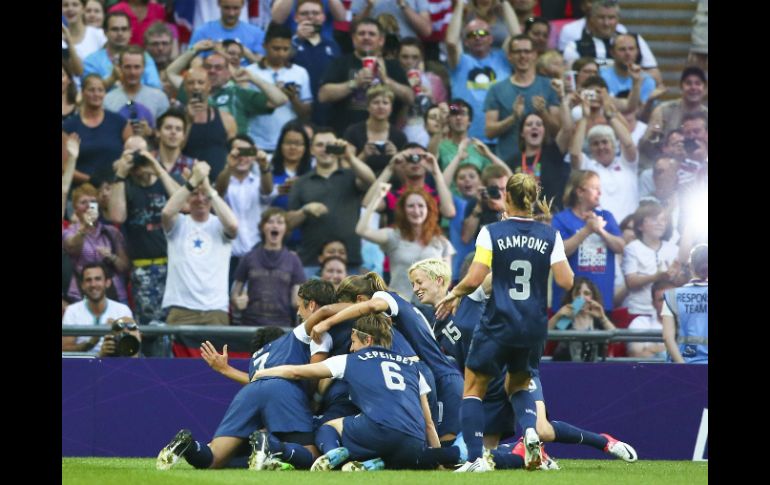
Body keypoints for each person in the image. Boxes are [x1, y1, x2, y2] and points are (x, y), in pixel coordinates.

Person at [434, 173, 574, 472]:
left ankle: (475, 459)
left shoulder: (492, 232)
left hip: (499, 321)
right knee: (518, 384)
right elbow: (566, 280)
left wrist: (454, 294)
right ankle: (531, 436)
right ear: (533, 199)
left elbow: (474, 279)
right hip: (534, 326)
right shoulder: (551, 235)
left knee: (473, 386)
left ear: (507, 198)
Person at [156, 279, 337, 471]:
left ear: (310, 304)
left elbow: (260, 380)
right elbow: (312, 375)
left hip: (250, 391)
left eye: (299, 306)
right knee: (312, 455)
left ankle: (189, 445)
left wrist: (226, 370)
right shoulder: (312, 333)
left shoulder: (264, 351)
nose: (298, 312)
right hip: (284, 390)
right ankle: (270, 444)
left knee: (215, 459)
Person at [251, 313, 442, 471]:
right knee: (394, 453)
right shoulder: (412, 367)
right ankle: (374, 464)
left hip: (378, 431)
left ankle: (334, 454)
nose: (351, 348)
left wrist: (262, 372)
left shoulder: (349, 360)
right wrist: (438, 459)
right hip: (414, 442)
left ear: (367, 339)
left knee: (329, 426)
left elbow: (296, 371)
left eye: (353, 342)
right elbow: (429, 424)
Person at [311, 274, 465, 446]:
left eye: (346, 308)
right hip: (425, 373)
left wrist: (327, 321)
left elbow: (370, 305)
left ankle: (484, 457)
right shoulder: (386, 322)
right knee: (423, 442)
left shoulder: (385, 299)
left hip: (439, 377)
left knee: (439, 445)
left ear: (360, 299)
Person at [109, 135, 182, 325]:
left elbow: (184, 203)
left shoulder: (166, 179)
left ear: (151, 153)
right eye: (130, 153)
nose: (136, 159)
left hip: (175, 266)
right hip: (143, 268)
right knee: (150, 327)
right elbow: (117, 216)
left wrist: (157, 168)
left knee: (176, 326)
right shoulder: (122, 184)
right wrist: (121, 175)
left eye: (140, 153)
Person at [286, 129, 376, 277]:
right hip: (311, 262)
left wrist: (349, 156)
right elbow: (288, 222)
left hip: (350, 262)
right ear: (312, 150)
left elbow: (370, 180)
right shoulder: (301, 182)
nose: (325, 149)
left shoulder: (350, 176)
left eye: (330, 145)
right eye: (320, 145)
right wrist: (305, 210)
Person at [160, 161, 239, 325]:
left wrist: (207, 187)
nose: (201, 198)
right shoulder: (179, 223)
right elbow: (167, 213)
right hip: (181, 309)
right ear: (188, 198)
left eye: (205, 195)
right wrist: (192, 182)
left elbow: (233, 226)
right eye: (195, 194)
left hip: (215, 309)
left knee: (216, 352)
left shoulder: (220, 224)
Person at [357, 182, 454, 300]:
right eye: (411, 206)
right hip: (400, 305)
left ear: (428, 209)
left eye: (421, 206)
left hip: (431, 308)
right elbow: (362, 230)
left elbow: (446, 282)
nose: (416, 210)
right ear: (403, 210)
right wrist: (377, 197)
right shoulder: (393, 236)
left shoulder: (440, 242)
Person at [318, 17, 414, 136]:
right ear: (353, 39)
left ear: (381, 40)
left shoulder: (393, 65)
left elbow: (410, 97)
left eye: (372, 34)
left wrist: (386, 80)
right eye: (361, 34)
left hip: (385, 136)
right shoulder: (341, 63)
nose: (366, 37)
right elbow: (323, 95)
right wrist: (354, 83)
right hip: (346, 134)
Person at [550, 170, 624, 316]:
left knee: (601, 338)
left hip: (600, 301)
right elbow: (558, 252)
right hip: (570, 301)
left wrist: (600, 231)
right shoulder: (561, 219)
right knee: (567, 337)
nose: (600, 192)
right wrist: (587, 230)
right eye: (595, 188)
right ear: (580, 192)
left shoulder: (606, 216)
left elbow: (620, 247)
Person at [484, 34, 561, 164]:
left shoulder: (550, 86)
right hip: (507, 163)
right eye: (518, 52)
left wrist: (543, 113)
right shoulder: (496, 89)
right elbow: (489, 132)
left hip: (543, 163)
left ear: (535, 55)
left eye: (527, 51)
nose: (523, 56)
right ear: (509, 56)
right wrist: (513, 118)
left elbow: (558, 131)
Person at [445, 1, 513, 145]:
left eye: (482, 33)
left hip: (501, 138)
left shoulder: (503, 59)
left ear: (491, 38)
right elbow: (451, 42)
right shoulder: (460, 61)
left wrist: (505, 2)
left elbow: (516, 36)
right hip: (466, 140)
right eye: (471, 35)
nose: (477, 37)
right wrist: (460, 5)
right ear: (466, 42)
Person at [213, 135, 274, 283]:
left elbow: (267, 190)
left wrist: (264, 167)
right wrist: (229, 167)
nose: (242, 158)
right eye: (238, 153)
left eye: (247, 153)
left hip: (258, 254)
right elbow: (218, 192)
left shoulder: (259, 181)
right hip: (228, 255)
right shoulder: (223, 179)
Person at [231, 208, 306, 327]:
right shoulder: (249, 257)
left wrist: (301, 303)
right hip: (250, 324)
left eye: (280, 222)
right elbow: (235, 293)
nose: (275, 225)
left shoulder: (293, 260)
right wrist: (237, 300)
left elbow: (296, 300)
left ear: (286, 229)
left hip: (282, 325)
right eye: (270, 222)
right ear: (263, 227)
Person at [569, 94, 639, 223]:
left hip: (630, 229)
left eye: (605, 142)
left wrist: (611, 117)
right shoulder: (588, 166)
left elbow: (628, 144)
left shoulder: (627, 163)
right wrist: (584, 118)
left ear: (614, 145)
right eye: (595, 144)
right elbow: (574, 154)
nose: (601, 147)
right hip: (600, 230)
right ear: (590, 148)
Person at [246, 23, 313, 151]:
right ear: (265, 46)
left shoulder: (300, 73)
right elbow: (245, 108)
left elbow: (306, 113)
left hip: (288, 145)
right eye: (276, 48)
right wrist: (271, 94)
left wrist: (293, 98)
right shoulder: (250, 73)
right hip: (256, 142)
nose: (281, 53)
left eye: (285, 49)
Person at [63, 183, 131, 305]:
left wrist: (112, 257)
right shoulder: (69, 232)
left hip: (114, 293)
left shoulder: (111, 231)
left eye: (93, 202)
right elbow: (72, 247)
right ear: (75, 208)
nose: (89, 206)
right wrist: (86, 226)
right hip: (81, 293)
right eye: (83, 202)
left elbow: (125, 267)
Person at [62, 74, 131, 185]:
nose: (96, 94)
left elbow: (131, 156)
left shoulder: (119, 122)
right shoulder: (69, 126)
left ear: (105, 93)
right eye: (91, 90)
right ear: (83, 92)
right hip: (81, 191)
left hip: (115, 186)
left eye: (100, 90)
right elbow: (64, 167)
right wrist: (92, 180)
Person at [622, 201, 682, 319]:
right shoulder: (632, 248)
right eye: (655, 219)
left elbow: (680, 281)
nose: (660, 223)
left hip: (668, 311)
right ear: (640, 225)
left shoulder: (673, 249)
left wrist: (676, 275)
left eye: (663, 219)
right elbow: (631, 282)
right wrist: (656, 277)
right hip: (639, 311)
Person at [180, 66, 238, 182]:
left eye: (201, 82)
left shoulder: (227, 119)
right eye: (191, 83)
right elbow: (174, 150)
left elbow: (235, 152)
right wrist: (189, 122)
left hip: (219, 184)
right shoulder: (176, 119)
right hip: (187, 183)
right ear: (185, 87)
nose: (196, 87)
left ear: (209, 86)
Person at [62, 262, 134, 354]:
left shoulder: (122, 310)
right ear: (82, 285)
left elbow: (131, 349)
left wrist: (118, 335)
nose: (93, 284)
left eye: (98, 279)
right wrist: (90, 343)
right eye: (88, 280)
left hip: (113, 364)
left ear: (107, 283)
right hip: (82, 364)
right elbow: (64, 349)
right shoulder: (72, 311)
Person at [507, 110, 572, 211]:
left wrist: (564, 99)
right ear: (522, 133)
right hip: (522, 216)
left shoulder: (553, 153)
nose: (534, 127)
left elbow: (567, 129)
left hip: (550, 216)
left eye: (539, 124)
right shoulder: (512, 161)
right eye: (529, 124)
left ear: (544, 131)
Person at [82, 11, 162, 90]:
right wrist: (111, 79)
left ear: (130, 32)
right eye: (114, 29)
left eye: (124, 29)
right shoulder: (91, 61)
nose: (120, 33)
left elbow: (156, 89)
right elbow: (88, 92)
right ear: (105, 32)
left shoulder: (144, 57)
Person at [343, 85, 407, 175]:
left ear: (391, 108)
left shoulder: (399, 136)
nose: (380, 107)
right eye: (376, 102)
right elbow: (345, 169)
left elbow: (405, 172)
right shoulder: (353, 132)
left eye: (385, 103)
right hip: (358, 182)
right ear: (368, 107)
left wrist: (396, 156)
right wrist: (363, 155)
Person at [548, 277, 616, 362]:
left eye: (586, 293)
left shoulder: (597, 319)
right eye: (577, 294)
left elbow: (617, 340)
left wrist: (602, 317)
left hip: (594, 370)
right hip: (565, 369)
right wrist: (558, 315)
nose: (581, 298)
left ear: (592, 297)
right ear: (572, 297)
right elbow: (544, 335)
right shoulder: (567, 319)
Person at [661, 244, 707, 364]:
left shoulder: (671, 295)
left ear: (690, 266)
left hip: (682, 367)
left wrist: (683, 367)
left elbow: (667, 337)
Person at [103, 45, 171, 125]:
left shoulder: (160, 98)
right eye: (128, 67)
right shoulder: (107, 100)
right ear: (120, 68)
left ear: (144, 68)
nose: (132, 72)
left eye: (137, 67)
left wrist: (150, 132)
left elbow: (164, 130)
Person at [189, 0, 267, 58]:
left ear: (243, 5)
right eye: (226, 8)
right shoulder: (203, 32)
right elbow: (193, 61)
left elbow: (263, 67)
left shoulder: (256, 33)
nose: (231, 13)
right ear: (219, 4)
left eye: (236, 8)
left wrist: (246, 53)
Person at [626, 280, 673, 359]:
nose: (667, 303)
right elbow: (636, 355)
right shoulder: (640, 323)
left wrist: (652, 348)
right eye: (661, 300)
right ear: (653, 304)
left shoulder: (689, 325)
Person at [62, 0, 108, 68]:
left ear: (83, 9)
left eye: (75, 5)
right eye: (65, 5)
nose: (70, 9)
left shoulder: (98, 34)